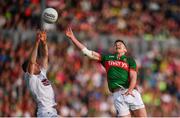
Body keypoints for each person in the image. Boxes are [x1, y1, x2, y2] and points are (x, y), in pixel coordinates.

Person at [65, 27, 147, 117]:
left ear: (125, 49)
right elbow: (87, 52)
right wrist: (73, 38)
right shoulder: (107, 58)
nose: (117, 45)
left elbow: (133, 77)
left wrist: (130, 90)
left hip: (131, 92)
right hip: (118, 95)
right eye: (116, 44)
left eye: (120, 44)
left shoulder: (130, 60)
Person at [22, 31, 58, 117]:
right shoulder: (30, 78)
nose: (37, 64)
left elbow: (45, 56)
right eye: (35, 65)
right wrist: (37, 42)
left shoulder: (42, 73)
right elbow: (31, 62)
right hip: (45, 112)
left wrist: (44, 43)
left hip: (51, 111)